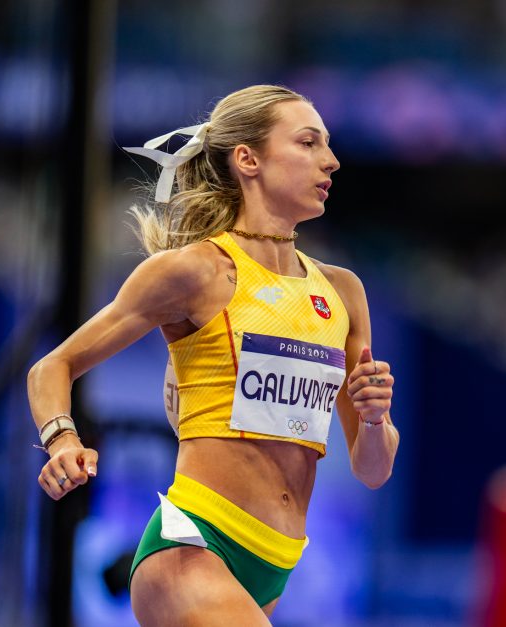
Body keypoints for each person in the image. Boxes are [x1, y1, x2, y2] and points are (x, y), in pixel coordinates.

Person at [27, 84, 399, 626]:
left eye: (328, 145)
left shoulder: (342, 292)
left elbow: (373, 469)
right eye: (309, 143)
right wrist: (62, 439)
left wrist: (373, 419)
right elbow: (52, 365)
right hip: (193, 543)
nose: (332, 161)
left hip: (274, 560)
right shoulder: (196, 271)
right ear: (248, 159)